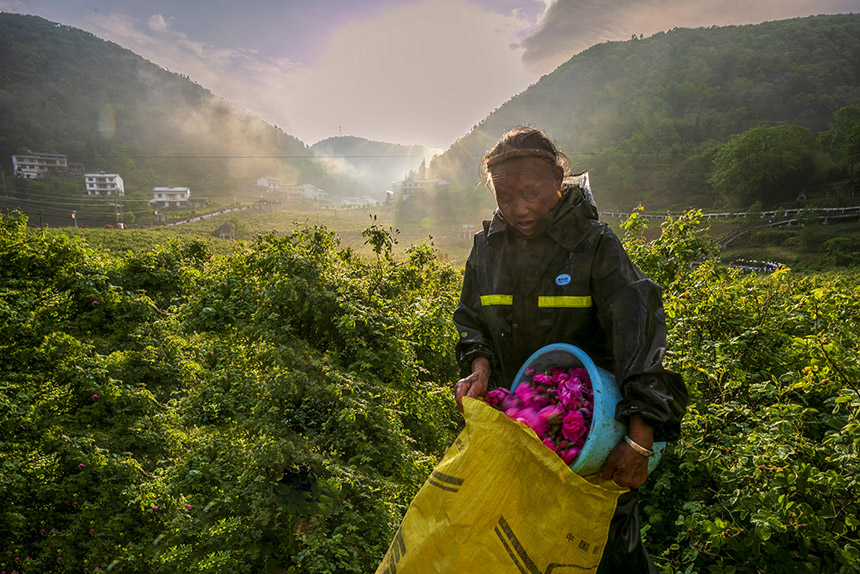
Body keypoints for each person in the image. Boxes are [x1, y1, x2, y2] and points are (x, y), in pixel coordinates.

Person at [452, 126, 688, 573]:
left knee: (604, 549)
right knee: (521, 545)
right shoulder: (487, 250)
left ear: (558, 181)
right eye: (505, 197)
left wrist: (639, 440)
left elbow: (638, 338)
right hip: (523, 433)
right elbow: (471, 319)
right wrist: (478, 365)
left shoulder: (595, 247)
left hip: (593, 436)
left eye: (531, 193)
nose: (518, 208)